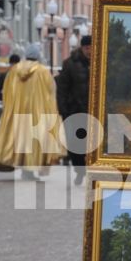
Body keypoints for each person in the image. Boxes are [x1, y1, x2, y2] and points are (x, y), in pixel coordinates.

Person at [0, 50, 64, 174]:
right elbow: (51, 92)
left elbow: (6, 90)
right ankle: (33, 166)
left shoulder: (14, 71)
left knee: (17, 138)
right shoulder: (43, 71)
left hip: (18, 111)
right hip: (37, 111)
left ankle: (15, 162)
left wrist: (9, 107)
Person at [54, 33, 93, 175]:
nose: (89, 51)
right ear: (82, 48)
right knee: (73, 143)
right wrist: (63, 109)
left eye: (91, 48)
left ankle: (88, 168)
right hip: (74, 109)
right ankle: (79, 168)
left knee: (90, 141)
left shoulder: (99, 62)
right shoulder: (70, 64)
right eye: (87, 47)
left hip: (93, 110)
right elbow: (62, 88)